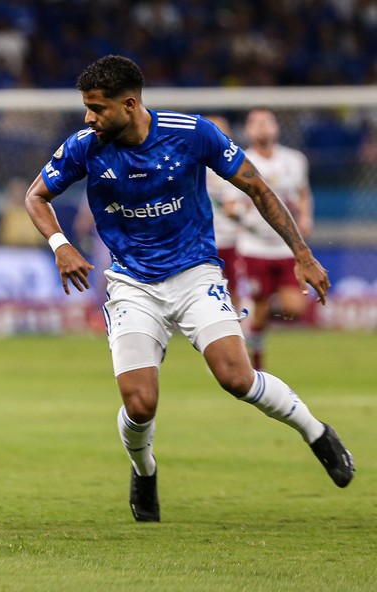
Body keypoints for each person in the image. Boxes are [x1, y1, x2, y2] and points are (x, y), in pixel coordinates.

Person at [24, 55, 354, 523]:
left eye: (97, 108)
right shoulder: (84, 146)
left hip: (195, 273)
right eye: (87, 108)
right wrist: (60, 244)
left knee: (237, 378)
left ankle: (317, 433)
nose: (88, 118)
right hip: (131, 283)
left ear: (129, 104)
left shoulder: (192, 132)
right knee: (140, 404)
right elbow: (35, 196)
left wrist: (303, 254)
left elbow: (258, 188)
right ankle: (144, 469)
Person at [235, 108, 315, 370]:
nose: (261, 127)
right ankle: (256, 365)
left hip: (285, 247)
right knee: (259, 306)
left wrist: (305, 217)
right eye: (254, 122)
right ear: (247, 131)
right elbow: (230, 202)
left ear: (276, 127)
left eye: (266, 121)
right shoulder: (239, 160)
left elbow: (303, 193)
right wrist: (238, 211)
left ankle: (256, 316)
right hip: (254, 245)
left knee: (295, 308)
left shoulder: (295, 160)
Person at [204, 115, 246, 311]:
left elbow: (237, 205)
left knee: (233, 288)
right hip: (200, 240)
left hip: (231, 239)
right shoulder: (190, 164)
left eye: (221, 131)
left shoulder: (237, 165)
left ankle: (239, 329)